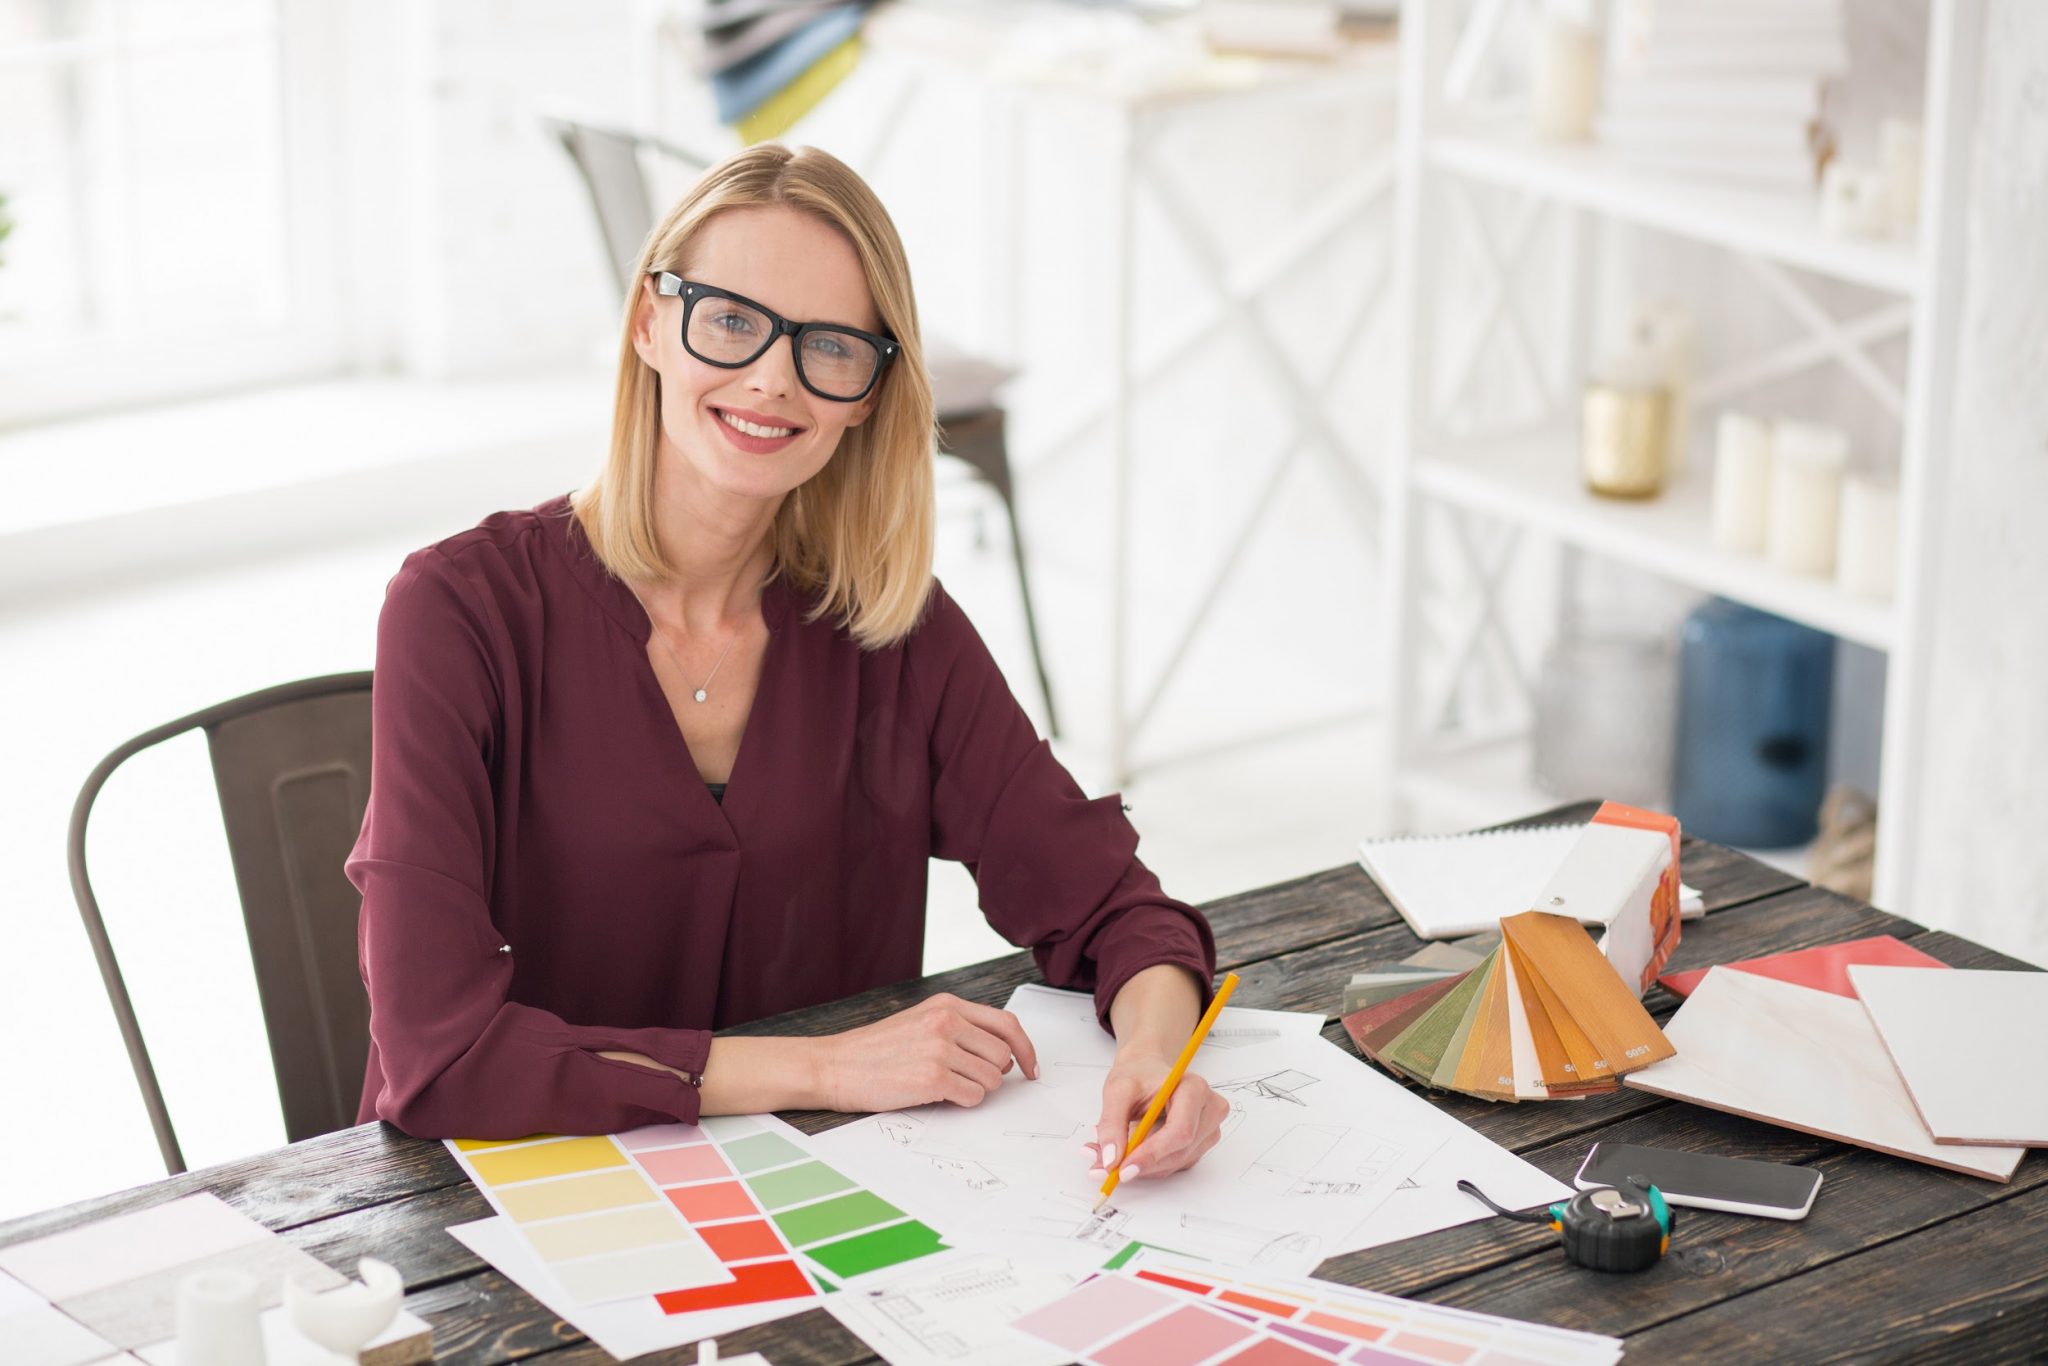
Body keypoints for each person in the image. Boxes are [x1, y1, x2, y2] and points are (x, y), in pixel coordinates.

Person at [350, 142, 1228, 1187]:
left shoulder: (892, 630)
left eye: (831, 346)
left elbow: (1116, 910)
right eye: (731, 319)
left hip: (816, 1201)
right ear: (648, 323)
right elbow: (438, 1055)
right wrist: (827, 1065)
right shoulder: (457, 610)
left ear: (868, 392)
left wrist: (1155, 1053)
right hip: (516, 1202)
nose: (773, 377)